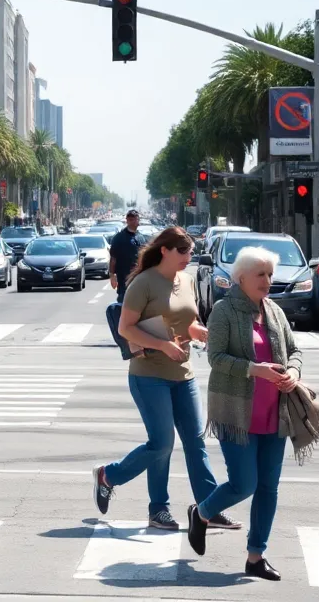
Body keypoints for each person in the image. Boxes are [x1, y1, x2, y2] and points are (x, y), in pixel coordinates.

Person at [92, 227, 238, 532]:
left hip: (183, 374)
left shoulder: (186, 280)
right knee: (161, 444)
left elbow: (189, 321)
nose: (189, 258)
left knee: (195, 442)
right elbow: (125, 329)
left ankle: (208, 508)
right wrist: (162, 344)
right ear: (165, 251)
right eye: (183, 252)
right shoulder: (143, 283)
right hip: (149, 376)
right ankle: (117, 481)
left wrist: (200, 333)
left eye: (190, 252)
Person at [187, 247, 304, 581]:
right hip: (236, 413)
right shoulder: (224, 310)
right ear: (241, 279)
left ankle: (256, 556)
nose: (267, 281)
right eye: (260, 275)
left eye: (270, 274)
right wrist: (256, 370)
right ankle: (203, 512)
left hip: (275, 413)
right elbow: (216, 358)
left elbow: (294, 350)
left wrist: (293, 372)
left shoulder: (274, 312)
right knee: (244, 484)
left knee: (269, 487)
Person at [109, 209, 148, 303]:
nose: (133, 221)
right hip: (124, 278)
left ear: (138, 220)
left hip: (139, 277)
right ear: (127, 220)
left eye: (135, 219)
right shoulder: (119, 238)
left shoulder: (141, 237)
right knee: (124, 302)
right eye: (130, 219)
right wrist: (112, 276)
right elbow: (113, 258)